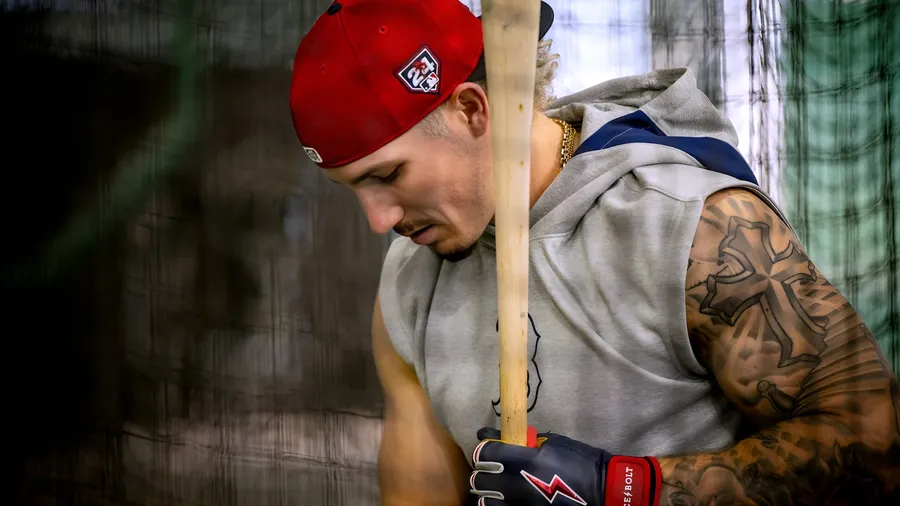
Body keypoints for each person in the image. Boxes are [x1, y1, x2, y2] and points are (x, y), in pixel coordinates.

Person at [289, 1, 900, 505]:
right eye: (353, 189)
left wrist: (625, 489)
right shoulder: (408, 282)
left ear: (471, 111)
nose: (378, 221)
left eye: (388, 175)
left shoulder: (692, 227)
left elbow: (876, 443)